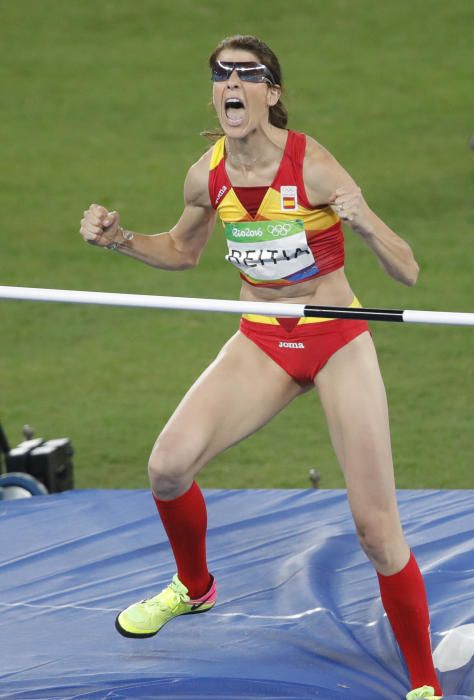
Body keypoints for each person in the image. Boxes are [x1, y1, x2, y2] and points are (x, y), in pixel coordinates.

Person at [79, 35, 442, 700]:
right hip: (264, 338)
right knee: (166, 466)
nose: (232, 85)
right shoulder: (207, 174)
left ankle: (423, 682)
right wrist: (123, 242)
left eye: (248, 74)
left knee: (375, 527)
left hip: (334, 338)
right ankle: (194, 588)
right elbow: (183, 251)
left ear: (272, 93)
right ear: (215, 92)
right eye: (222, 75)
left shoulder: (316, 167)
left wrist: (365, 225)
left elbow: (409, 269)